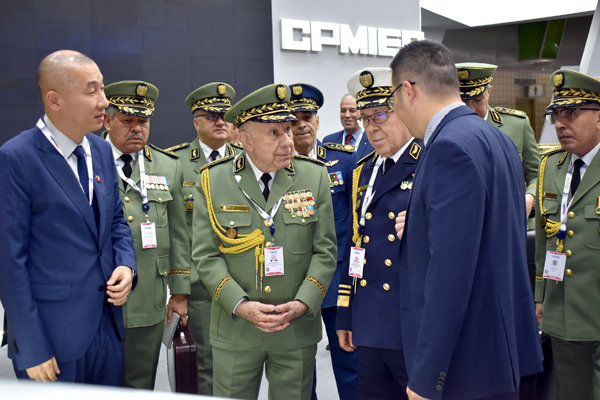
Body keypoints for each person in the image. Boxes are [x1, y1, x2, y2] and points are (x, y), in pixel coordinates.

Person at [390, 40, 543, 400]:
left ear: (408, 90)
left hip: (464, 364)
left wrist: (427, 376)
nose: (394, 108)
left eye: (393, 97)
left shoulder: (448, 147)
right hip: (496, 353)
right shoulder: (495, 137)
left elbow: (449, 273)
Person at [191, 83, 337, 400]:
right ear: (246, 140)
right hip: (236, 328)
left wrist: (304, 302)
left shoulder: (314, 176)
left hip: (295, 327)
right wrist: (240, 304)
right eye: (274, 133)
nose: (288, 141)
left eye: (288, 130)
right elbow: (205, 256)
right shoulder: (213, 180)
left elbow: (325, 252)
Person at [0, 50, 137, 385]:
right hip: (53, 339)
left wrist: (126, 265)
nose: (104, 101)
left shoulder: (101, 150)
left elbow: (116, 221)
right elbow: (9, 262)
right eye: (92, 91)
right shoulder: (16, 158)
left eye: (102, 88)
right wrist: (31, 346)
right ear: (55, 100)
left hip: (108, 328)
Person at [336, 67, 423, 400]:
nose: (372, 127)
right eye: (366, 119)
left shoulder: (428, 161)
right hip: (369, 321)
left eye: (381, 115)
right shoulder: (364, 169)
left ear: (403, 112)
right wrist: (346, 313)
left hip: (410, 322)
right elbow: (355, 243)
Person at [101, 81, 191, 389]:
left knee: (139, 384)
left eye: (143, 121)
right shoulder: (87, 159)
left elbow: (179, 235)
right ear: (107, 120)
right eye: (128, 121)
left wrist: (179, 293)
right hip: (99, 298)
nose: (137, 129)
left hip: (148, 298)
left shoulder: (168, 166)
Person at [165, 82, 239, 394]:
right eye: (212, 116)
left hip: (243, 282)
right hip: (200, 286)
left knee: (241, 365)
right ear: (197, 123)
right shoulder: (176, 162)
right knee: (206, 365)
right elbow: (175, 231)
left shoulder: (249, 159)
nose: (220, 121)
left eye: (225, 115)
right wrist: (179, 291)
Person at [289, 83, 359, 400]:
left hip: (337, 280)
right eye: (294, 120)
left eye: (307, 117)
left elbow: (357, 222)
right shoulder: (277, 165)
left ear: (317, 120)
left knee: (348, 360)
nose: (301, 125)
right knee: (300, 367)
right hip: (294, 281)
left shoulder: (343, 160)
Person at [535, 69, 600, 400]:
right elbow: (544, 239)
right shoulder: (551, 167)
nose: (560, 124)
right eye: (556, 115)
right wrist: (540, 295)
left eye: (571, 113)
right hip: (563, 313)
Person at [456, 63, 540, 226]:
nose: (471, 109)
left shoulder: (516, 125)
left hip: (510, 221)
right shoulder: (445, 129)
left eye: (477, 101)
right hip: (466, 222)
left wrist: (530, 197)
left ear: (488, 92)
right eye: (463, 102)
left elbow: (537, 173)